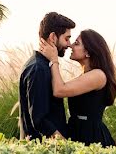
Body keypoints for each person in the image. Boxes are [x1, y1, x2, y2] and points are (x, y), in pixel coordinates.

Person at [39, 28, 116, 147]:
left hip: (91, 137)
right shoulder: (86, 75)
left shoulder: (98, 75)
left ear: (88, 52)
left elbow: (59, 90)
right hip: (77, 131)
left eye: (76, 43)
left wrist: (53, 60)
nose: (70, 46)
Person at [18, 12, 74, 141]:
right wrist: (65, 144)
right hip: (44, 153)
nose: (69, 44)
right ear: (53, 37)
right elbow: (39, 119)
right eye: (66, 38)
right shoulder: (38, 68)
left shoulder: (41, 65)